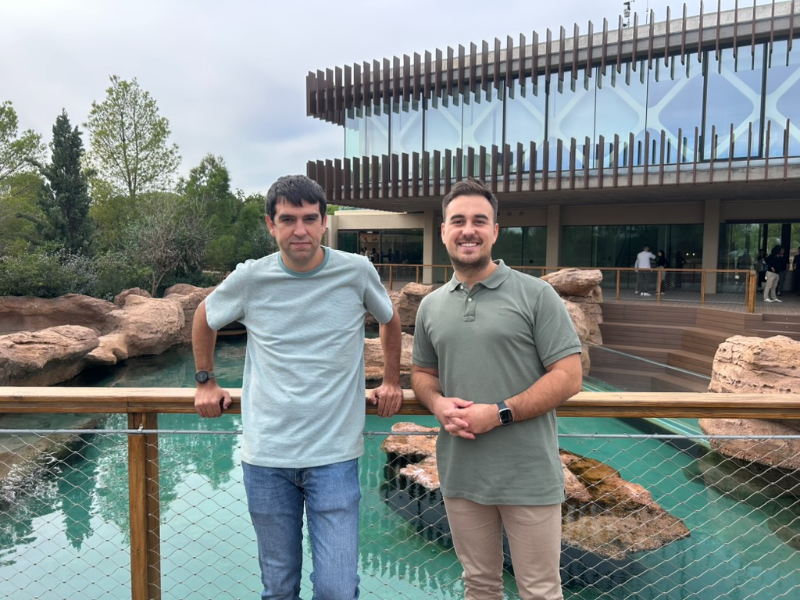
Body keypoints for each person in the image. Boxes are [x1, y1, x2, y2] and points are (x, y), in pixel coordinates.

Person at [192, 174, 403, 600]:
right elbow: (204, 316)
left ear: (325, 222)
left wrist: (392, 380)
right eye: (288, 219)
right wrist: (206, 381)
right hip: (267, 457)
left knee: (337, 589)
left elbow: (389, 319)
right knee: (279, 587)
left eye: (309, 218)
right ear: (271, 225)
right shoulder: (251, 278)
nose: (300, 230)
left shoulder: (355, 271)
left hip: (335, 455)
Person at [411, 178, 583, 600]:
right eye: (458, 221)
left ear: (495, 231)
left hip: (528, 474)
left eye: (479, 221)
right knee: (479, 586)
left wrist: (498, 413)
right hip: (461, 473)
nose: (468, 230)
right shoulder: (431, 305)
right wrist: (436, 403)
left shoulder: (536, 295)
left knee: (540, 590)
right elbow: (422, 374)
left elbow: (569, 375)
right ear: (443, 231)